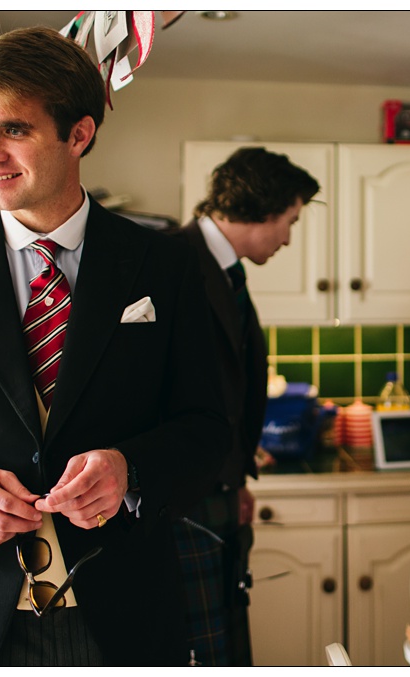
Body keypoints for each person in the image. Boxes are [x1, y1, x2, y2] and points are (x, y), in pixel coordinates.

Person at [0, 26, 229, 666]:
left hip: (128, 615)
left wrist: (132, 470)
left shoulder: (165, 268)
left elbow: (210, 425)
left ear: (79, 134)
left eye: (13, 129)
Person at [171, 147, 319, 666]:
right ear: (262, 208)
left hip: (219, 487)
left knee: (228, 647)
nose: (287, 238)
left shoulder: (224, 268)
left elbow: (225, 385)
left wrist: (238, 479)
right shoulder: (173, 260)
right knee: (203, 654)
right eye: (289, 221)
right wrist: (219, 479)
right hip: (184, 496)